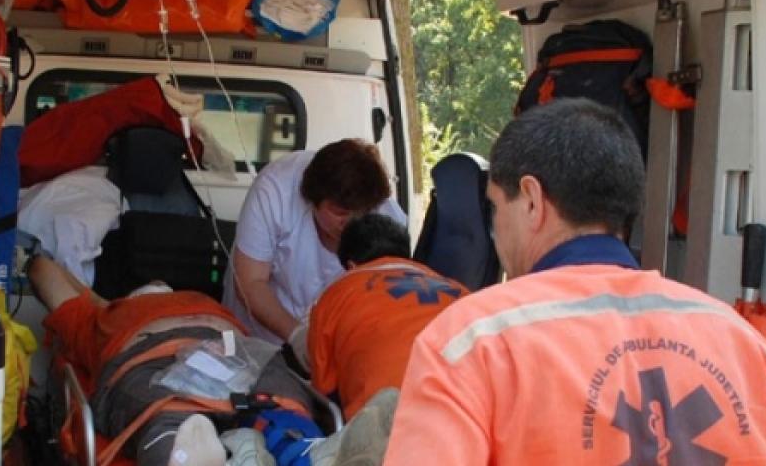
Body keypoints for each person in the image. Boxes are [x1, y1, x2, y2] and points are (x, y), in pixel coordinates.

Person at [382, 99, 766, 465]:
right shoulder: (740, 342)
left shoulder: (470, 344)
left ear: (531, 200)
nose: (495, 230)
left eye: (496, 207)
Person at [27, 255, 395, 466]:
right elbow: (49, 270)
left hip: (156, 355)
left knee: (167, 417)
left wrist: (94, 299)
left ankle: (186, 454)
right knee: (276, 408)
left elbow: (43, 269)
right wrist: (97, 301)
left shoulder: (110, 316)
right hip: (240, 354)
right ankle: (312, 452)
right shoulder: (190, 303)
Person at [223, 139, 406, 343]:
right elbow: (251, 283)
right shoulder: (275, 189)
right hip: (257, 335)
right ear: (312, 200)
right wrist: (298, 337)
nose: (350, 223)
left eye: (362, 213)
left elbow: (386, 300)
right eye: (340, 212)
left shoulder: (387, 219)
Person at [289, 213, 467, 420]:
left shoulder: (337, 294)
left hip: (387, 422)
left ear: (351, 266)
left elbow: (324, 391)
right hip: (472, 413)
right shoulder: (460, 290)